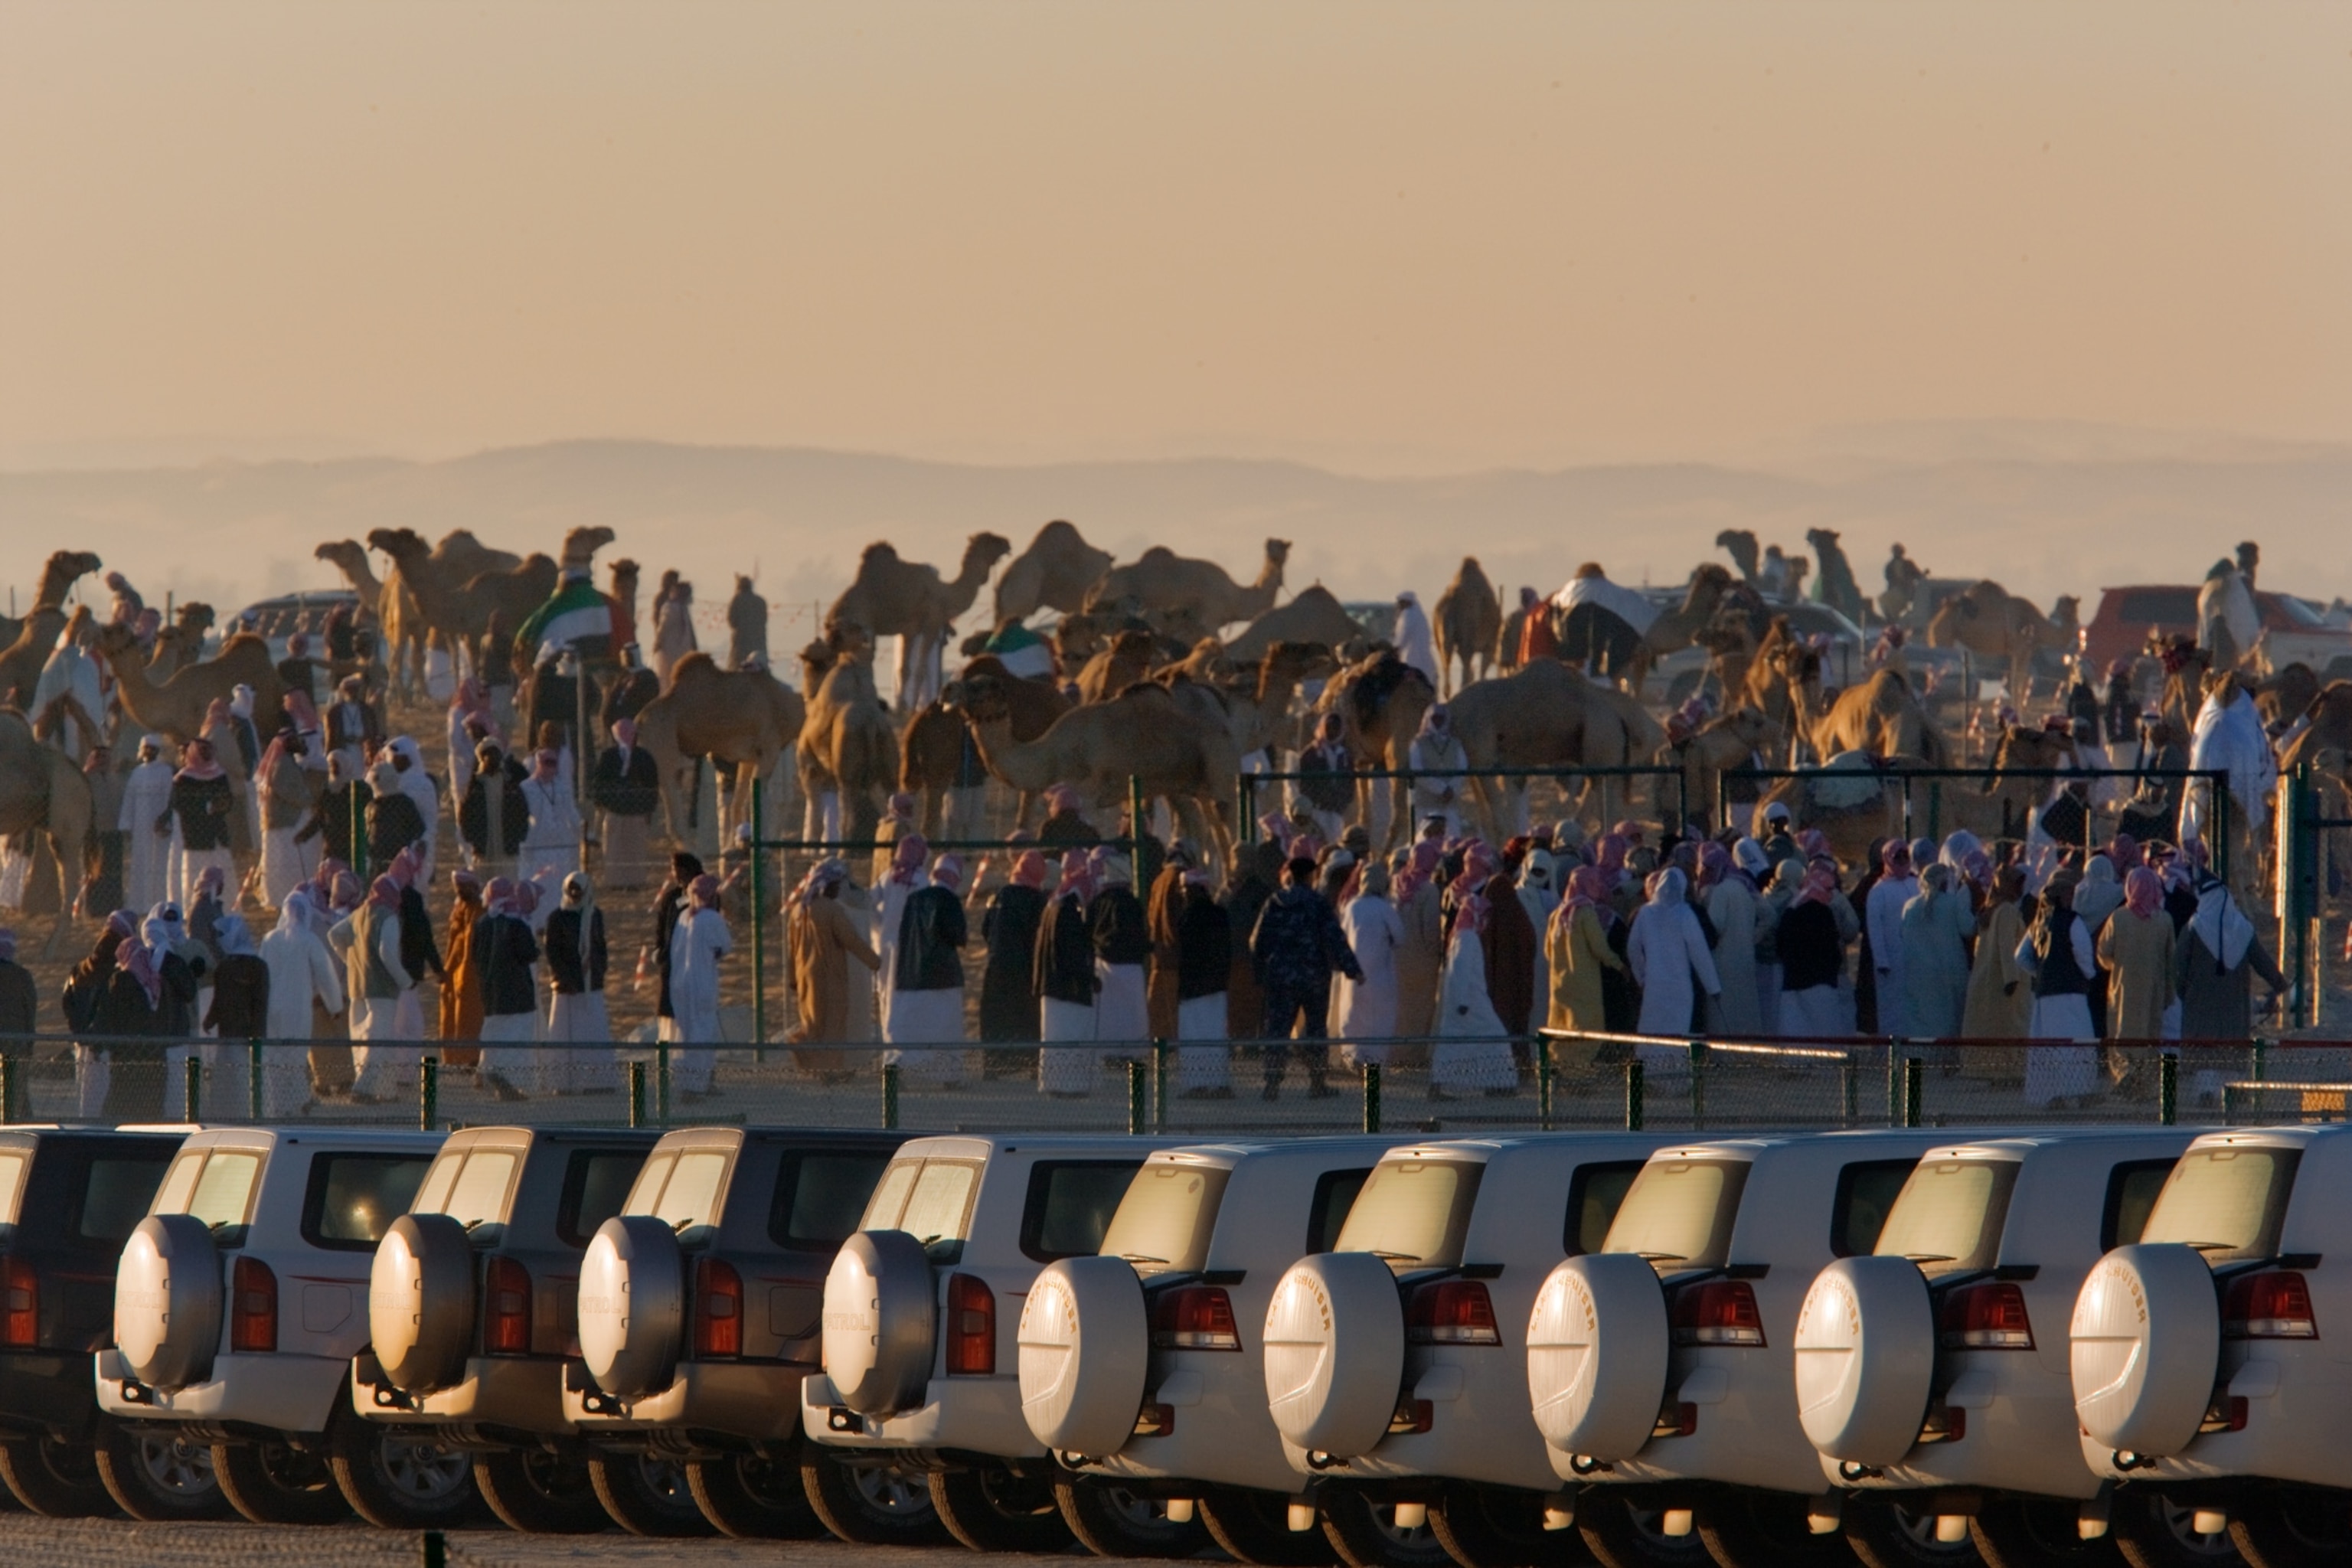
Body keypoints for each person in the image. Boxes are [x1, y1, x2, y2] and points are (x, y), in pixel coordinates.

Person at [1249, 857, 1362, 1101]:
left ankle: (1272, 1084)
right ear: (1311, 875)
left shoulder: (1275, 902)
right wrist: (1353, 969)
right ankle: (1317, 1083)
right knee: (1315, 1030)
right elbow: (1335, 938)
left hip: (1280, 978)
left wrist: (1260, 972)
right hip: (1314, 978)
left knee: (1277, 1030)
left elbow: (1257, 942)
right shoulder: (1318, 903)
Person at [787, 859, 882, 1078]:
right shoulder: (831, 910)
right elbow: (851, 940)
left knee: (813, 1024)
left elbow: (792, 949)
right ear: (827, 886)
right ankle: (830, 1070)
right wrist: (874, 962)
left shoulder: (797, 911)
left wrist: (793, 978)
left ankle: (817, 1064)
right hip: (829, 977)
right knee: (833, 1026)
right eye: (836, 886)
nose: (839, 889)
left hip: (805, 979)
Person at [882, 854, 969, 1086]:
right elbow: (959, 936)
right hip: (943, 978)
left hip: (910, 975)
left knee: (914, 1030)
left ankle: (899, 1066)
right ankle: (950, 1076)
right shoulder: (949, 900)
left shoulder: (914, 899)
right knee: (946, 1030)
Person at [2174, 870, 2288, 1042]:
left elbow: (2178, 968)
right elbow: (2262, 962)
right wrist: (2280, 985)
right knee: (2231, 1060)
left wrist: (2180, 994)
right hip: (2235, 1018)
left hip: (2199, 1014)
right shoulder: (2243, 929)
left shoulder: (2193, 929)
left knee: (2200, 1062)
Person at [2017, 867, 2099, 1107]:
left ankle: (2050, 1094)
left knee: (2049, 1047)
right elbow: (2083, 954)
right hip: (2071, 994)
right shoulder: (2073, 921)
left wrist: (2042, 973)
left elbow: (2021, 958)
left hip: (2045, 995)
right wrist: (2088, 975)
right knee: (2074, 1045)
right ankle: (2076, 1093)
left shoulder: (2038, 924)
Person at [257, 890, 341, 1115]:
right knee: (295, 1056)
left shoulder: (269, 938)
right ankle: (294, 1104)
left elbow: (261, 971)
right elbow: (325, 975)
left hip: (271, 1007)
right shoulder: (308, 939)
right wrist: (335, 1006)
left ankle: (274, 1105)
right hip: (298, 1008)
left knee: (273, 1057)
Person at [335, 875, 416, 1103]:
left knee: (364, 1039)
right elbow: (387, 953)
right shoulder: (387, 917)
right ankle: (363, 1089)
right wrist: (405, 981)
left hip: (357, 987)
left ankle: (386, 1090)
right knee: (379, 1040)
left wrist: (351, 962)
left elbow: (335, 936)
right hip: (381, 990)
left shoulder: (359, 914)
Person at [1432, 892, 1517, 1098]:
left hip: (1465, 1001)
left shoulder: (1462, 936)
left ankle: (1441, 1086)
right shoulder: (1467, 938)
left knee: (1455, 1044)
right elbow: (1460, 970)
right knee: (1496, 1036)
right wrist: (1462, 1001)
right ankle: (1500, 1084)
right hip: (1469, 1002)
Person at [544, 872, 615, 1094]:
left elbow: (600, 948)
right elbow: (552, 953)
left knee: (593, 1032)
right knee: (564, 1035)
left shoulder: (595, 915)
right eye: (571, 889)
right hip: (566, 988)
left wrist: (598, 973)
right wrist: (567, 978)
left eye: (578, 890)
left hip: (590, 986)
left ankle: (597, 1083)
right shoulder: (556, 917)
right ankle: (563, 1084)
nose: (575, 894)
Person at [1037, 851, 1100, 1095]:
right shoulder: (1068, 914)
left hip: (1052, 988)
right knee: (1070, 1039)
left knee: (1054, 1040)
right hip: (1068, 990)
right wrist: (1089, 978)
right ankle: (1070, 1086)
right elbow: (1073, 955)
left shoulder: (1052, 908)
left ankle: (1055, 1084)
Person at [474, 879, 541, 1101]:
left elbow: (475, 956)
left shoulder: (482, 923)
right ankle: (510, 1086)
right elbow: (528, 954)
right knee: (516, 1039)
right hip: (517, 993)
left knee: (493, 1034)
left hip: (490, 992)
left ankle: (492, 1075)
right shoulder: (517, 924)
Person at [1171, 866, 1233, 1096]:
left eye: (1186, 889)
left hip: (1193, 988)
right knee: (1216, 1036)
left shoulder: (1188, 917)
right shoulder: (1220, 914)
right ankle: (1219, 1084)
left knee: (1193, 1038)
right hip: (1217, 986)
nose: (1183, 893)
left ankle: (1196, 1085)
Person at [667, 873, 730, 1096]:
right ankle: (697, 1086)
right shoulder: (711, 919)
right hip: (702, 984)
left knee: (685, 1034)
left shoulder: (684, 916)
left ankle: (690, 1084)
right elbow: (724, 947)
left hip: (680, 986)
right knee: (702, 1034)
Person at [2099, 866, 2176, 1051]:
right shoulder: (2164, 920)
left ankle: (2125, 1074)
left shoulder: (2118, 917)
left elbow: (2103, 953)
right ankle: (2146, 1075)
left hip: (2123, 988)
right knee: (2150, 1036)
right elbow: (2171, 960)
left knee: (2123, 1035)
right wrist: (2169, 992)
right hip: (2154, 988)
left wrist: (2120, 967)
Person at [202, 913, 271, 1119]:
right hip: (229, 1032)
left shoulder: (255, 967)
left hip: (245, 1034)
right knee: (229, 1077)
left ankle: (245, 1116)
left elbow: (260, 1004)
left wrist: (257, 1035)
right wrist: (211, 1019)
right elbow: (219, 998)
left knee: (242, 1078)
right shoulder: (227, 966)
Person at [1334, 860, 1404, 1061]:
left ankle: (1354, 1063)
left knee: (1354, 1023)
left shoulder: (1351, 906)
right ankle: (1372, 1086)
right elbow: (1400, 937)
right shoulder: (1385, 908)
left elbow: (1343, 935)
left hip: (1353, 977)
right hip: (1380, 979)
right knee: (1377, 1028)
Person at [1899, 864, 1974, 1044]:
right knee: (1947, 1033)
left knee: (1916, 1035)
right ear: (1944, 882)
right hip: (1949, 978)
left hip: (1916, 978)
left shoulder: (1910, 906)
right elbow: (1969, 928)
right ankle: (1943, 1071)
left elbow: (1902, 933)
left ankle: (1914, 1072)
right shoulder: (1954, 903)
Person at [1775, 862, 1850, 1038]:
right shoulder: (1823, 913)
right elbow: (1833, 951)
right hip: (1820, 988)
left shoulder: (1791, 910)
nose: (1831, 893)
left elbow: (1780, 947)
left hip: (1792, 987)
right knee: (1825, 1044)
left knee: (1796, 1045)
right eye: (1828, 889)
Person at [1088, 851, 1152, 1051]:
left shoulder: (1097, 903)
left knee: (1108, 1018)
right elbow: (1136, 936)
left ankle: (1109, 1057)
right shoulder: (1132, 904)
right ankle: (1135, 1066)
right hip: (1130, 968)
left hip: (1103, 967)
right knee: (1133, 1021)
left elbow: (1088, 933)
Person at [165, 739, 237, 910]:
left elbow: (228, 799)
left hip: (218, 834)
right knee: (195, 876)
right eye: (203, 749)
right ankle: (196, 911)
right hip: (196, 836)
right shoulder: (183, 779)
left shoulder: (220, 775)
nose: (207, 753)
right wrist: (208, 806)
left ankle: (227, 909)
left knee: (224, 875)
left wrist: (222, 804)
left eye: (209, 749)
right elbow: (180, 805)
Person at [590, 717, 661, 889]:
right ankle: (615, 881)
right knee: (614, 849)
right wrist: (605, 802)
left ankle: (635, 881)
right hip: (615, 811)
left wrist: (647, 808)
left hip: (636, 811)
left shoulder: (643, 757)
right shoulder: (609, 757)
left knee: (635, 849)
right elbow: (599, 784)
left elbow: (652, 785)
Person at [1699, 842, 1762, 1036]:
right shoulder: (1742, 887)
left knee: (1725, 1017)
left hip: (1725, 965)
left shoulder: (1721, 892)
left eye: (1709, 870)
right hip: (1745, 960)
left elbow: (1715, 927)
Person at [1865, 841, 1918, 1037]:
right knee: (1892, 1019)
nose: (1903, 861)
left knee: (1915, 1021)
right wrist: (1882, 961)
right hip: (1891, 967)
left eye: (1906, 856)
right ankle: (1891, 1066)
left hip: (1915, 964)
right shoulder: (1878, 891)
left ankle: (1914, 1068)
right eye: (1898, 857)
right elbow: (1875, 930)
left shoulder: (1916, 884)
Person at [518, 748, 582, 884]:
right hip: (537, 842)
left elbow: (571, 812)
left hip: (559, 841)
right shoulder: (526, 788)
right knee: (537, 879)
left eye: (554, 763)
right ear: (538, 763)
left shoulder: (561, 787)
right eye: (547, 763)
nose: (551, 767)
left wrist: (581, 831)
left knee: (560, 879)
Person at [1406, 707, 1468, 840]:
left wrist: (1451, 789)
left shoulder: (1455, 744)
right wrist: (1441, 789)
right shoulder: (1418, 744)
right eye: (1435, 719)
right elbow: (1417, 771)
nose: (1438, 722)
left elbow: (1462, 769)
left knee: (1452, 841)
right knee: (1423, 841)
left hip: (1449, 804)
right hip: (1425, 804)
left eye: (1441, 718)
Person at [1295, 714, 1354, 846]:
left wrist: (1343, 801)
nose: (1332, 731)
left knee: (1335, 843)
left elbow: (1350, 782)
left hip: (1336, 809)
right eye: (1329, 728)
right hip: (1318, 809)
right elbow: (1304, 783)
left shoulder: (1345, 754)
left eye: (1336, 728)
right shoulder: (1311, 752)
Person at [364, 757, 426, 874]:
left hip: (399, 862)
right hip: (376, 863)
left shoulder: (404, 803)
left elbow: (418, 829)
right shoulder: (372, 806)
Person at [0, 930, 34, 1059]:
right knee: (12, 1077)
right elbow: (29, 1009)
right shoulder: (22, 976)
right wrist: (30, 1040)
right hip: (15, 1039)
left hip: (15, 1038)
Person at [1393, 591, 1437, 685]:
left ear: (1407, 602)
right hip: (1425, 660)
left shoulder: (1408, 615)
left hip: (1411, 658)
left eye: (1401, 602)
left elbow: (1403, 635)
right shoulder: (1420, 616)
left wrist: (1396, 649)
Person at [727, 574, 769, 670]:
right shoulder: (760, 601)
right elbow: (764, 620)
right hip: (759, 643)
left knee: (738, 669)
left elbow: (732, 622)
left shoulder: (736, 600)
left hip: (741, 644)